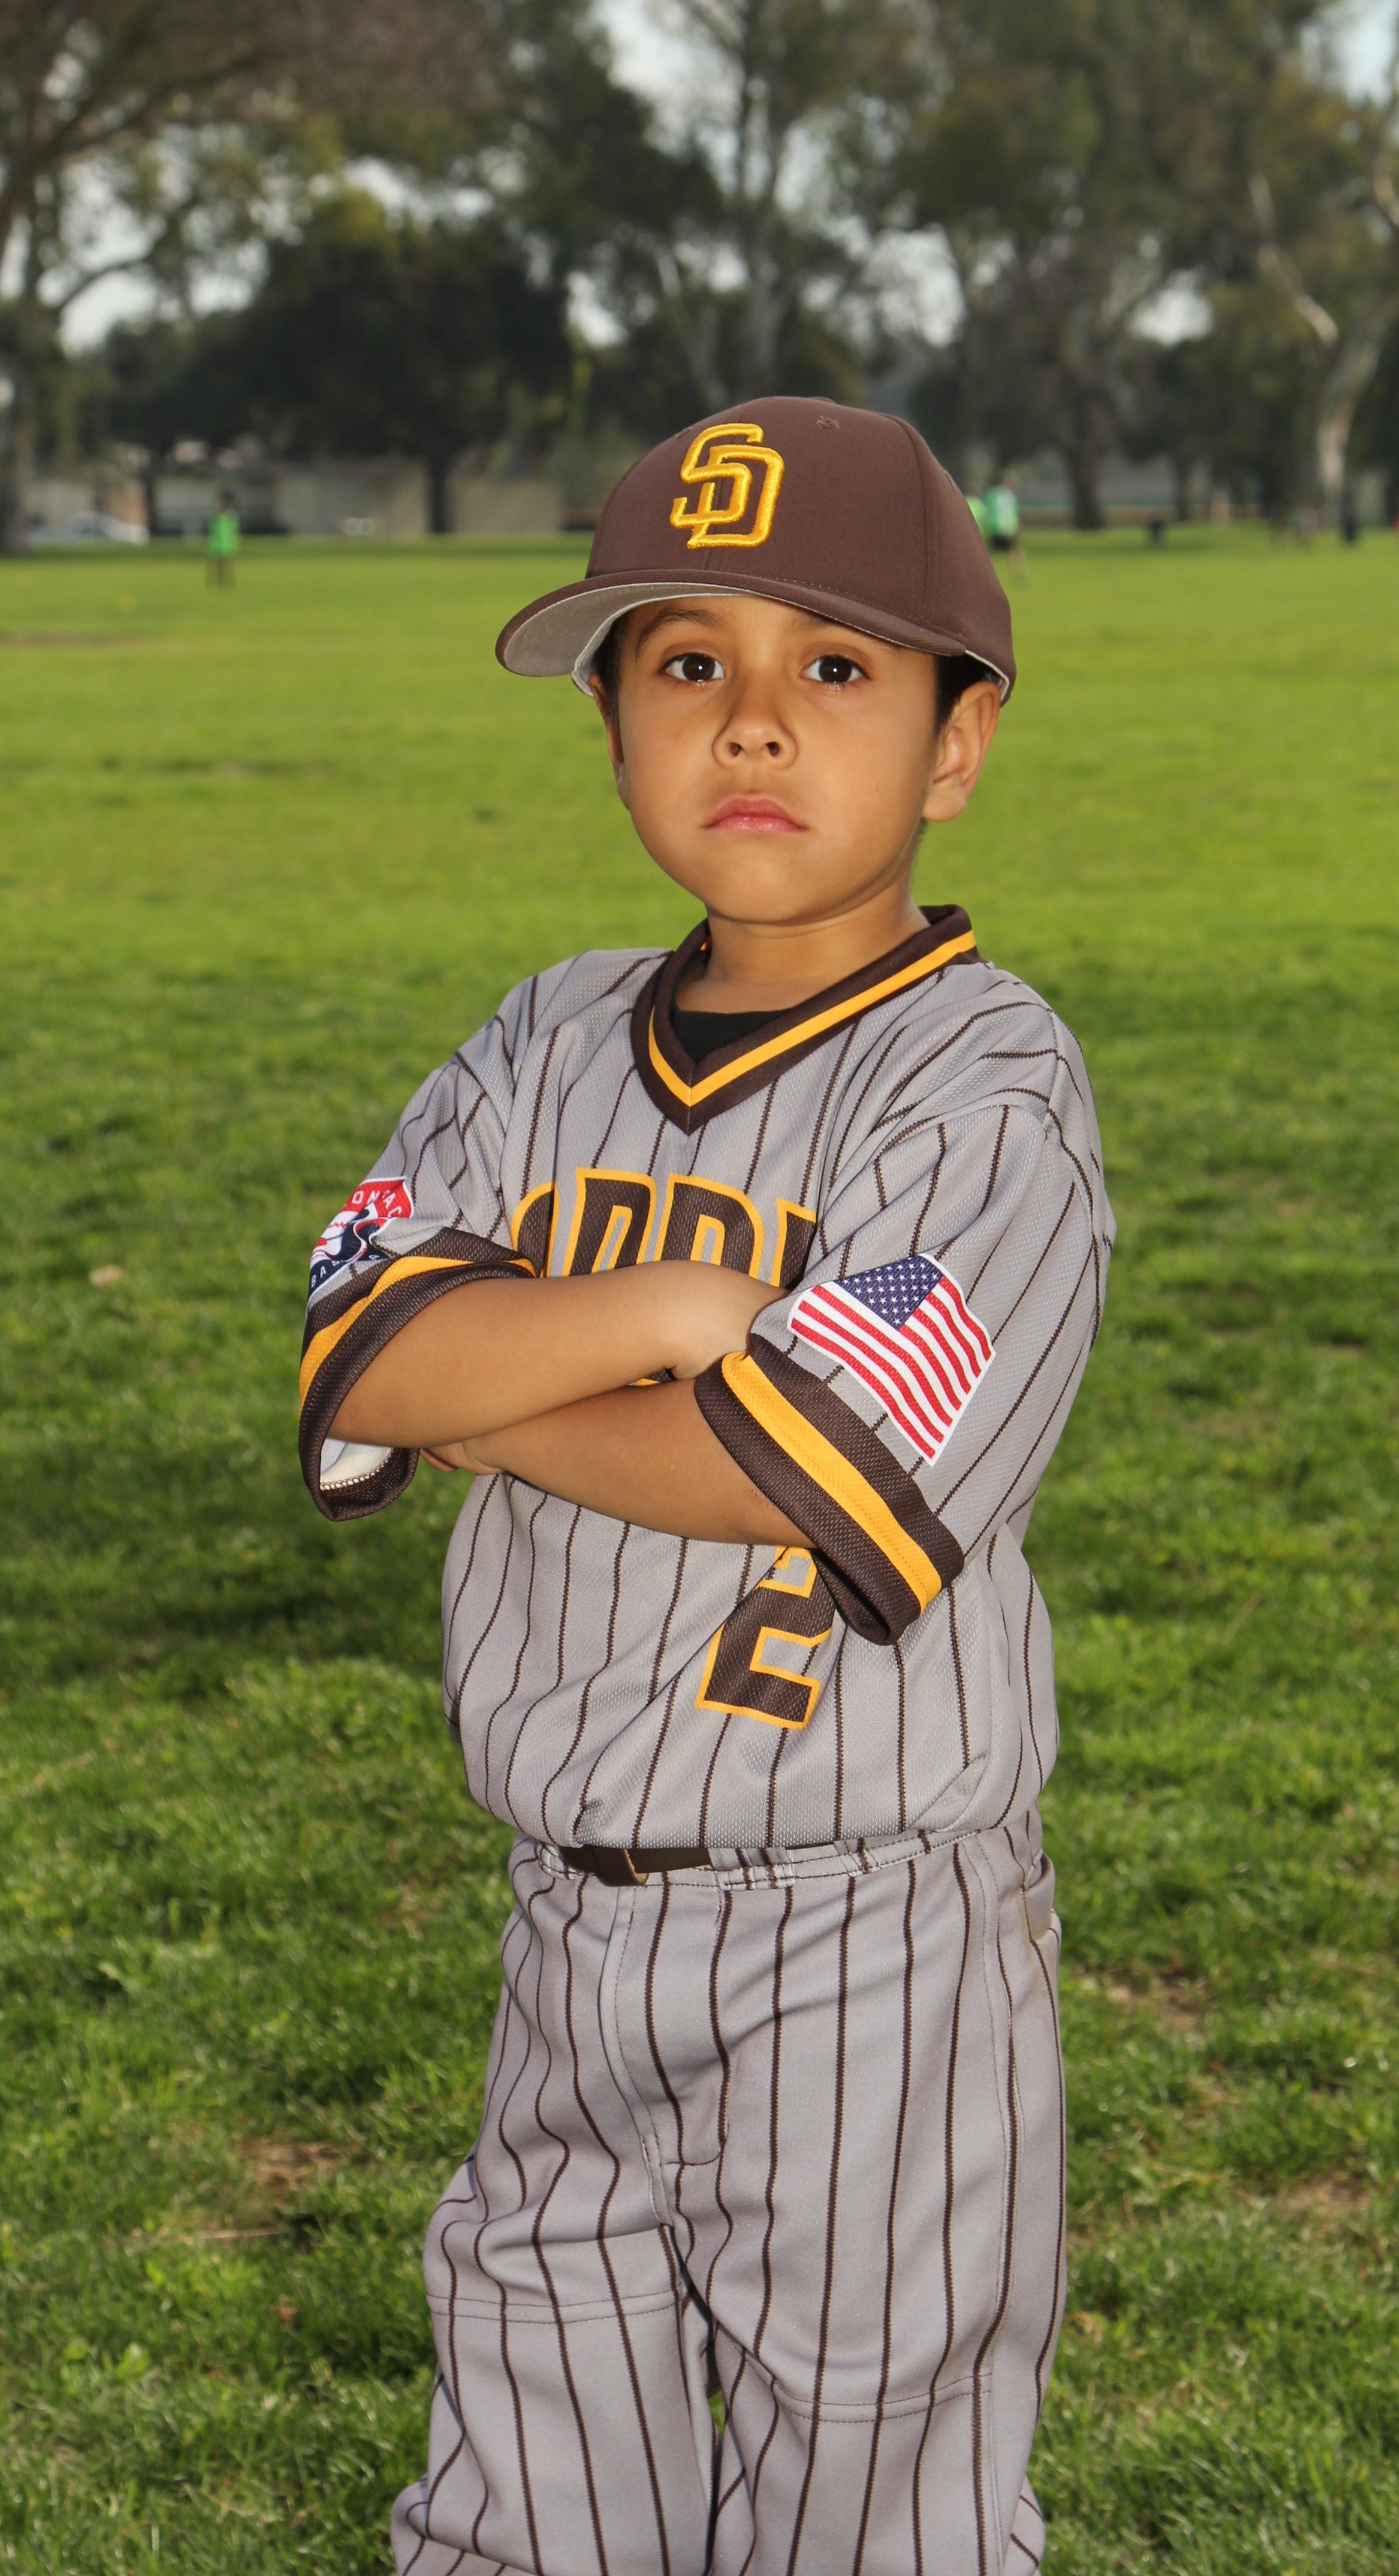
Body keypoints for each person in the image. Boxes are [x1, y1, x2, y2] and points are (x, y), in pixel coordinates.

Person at [299, 397, 1113, 2576]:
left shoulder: (987, 1088)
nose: (752, 720)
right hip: (566, 1927)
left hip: (872, 1937)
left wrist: (498, 1389)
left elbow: (803, 1464)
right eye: (685, 663)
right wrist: (666, 1309)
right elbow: (358, 1349)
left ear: (957, 740)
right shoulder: (542, 1038)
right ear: (611, 727)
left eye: (835, 664)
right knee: (518, 2505)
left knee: (874, 2511)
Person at [981, 466, 1026, 582]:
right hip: (1005, 528)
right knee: (1014, 552)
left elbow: (988, 511)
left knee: (996, 552)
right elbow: (1011, 513)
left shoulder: (993, 494)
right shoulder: (1007, 495)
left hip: (998, 528)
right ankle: (1018, 575)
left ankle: (987, 576)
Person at [206, 491, 239, 585]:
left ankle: (228, 579)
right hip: (218, 544)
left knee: (227, 563)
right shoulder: (216, 518)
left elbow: (233, 529)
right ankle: (219, 579)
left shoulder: (229, 518)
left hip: (226, 544)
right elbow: (211, 527)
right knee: (218, 564)